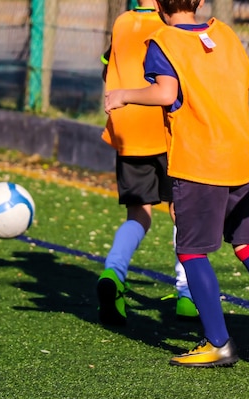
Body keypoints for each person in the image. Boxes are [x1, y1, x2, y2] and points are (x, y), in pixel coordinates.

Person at [105, 0, 249, 367]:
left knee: (191, 251)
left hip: (198, 165)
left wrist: (124, 95)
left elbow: (164, 93)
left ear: (159, 4)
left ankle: (218, 343)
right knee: (248, 246)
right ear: (200, 2)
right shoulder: (223, 33)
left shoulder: (162, 41)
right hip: (238, 159)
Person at [97, 0, 199, 327]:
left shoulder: (122, 22)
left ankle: (114, 271)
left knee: (138, 213)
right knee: (179, 210)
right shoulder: (173, 27)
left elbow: (106, 69)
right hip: (167, 129)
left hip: (127, 128)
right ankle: (187, 294)